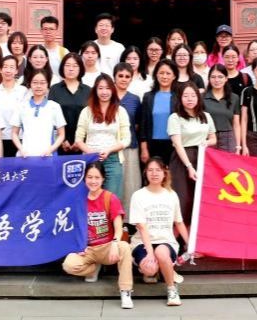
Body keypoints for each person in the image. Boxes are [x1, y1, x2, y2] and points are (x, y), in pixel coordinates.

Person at [61, 161, 136, 310]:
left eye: (97, 177)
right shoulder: (80, 199)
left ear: (103, 179)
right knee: (68, 265)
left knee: (125, 247)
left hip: (108, 247)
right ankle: (93, 268)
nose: (93, 181)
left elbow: (118, 227)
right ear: (85, 179)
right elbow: (75, 227)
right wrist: (79, 246)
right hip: (88, 249)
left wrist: (114, 243)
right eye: (90, 177)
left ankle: (125, 291)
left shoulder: (110, 198)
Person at [129, 157, 189, 306]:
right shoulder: (138, 195)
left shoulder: (171, 195)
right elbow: (142, 227)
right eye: (150, 170)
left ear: (164, 172)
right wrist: (150, 253)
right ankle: (159, 269)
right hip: (142, 242)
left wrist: (191, 244)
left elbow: (179, 222)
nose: (154, 173)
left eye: (158, 170)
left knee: (161, 253)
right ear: (145, 173)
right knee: (149, 269)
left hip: (166, 242)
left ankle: (172, 290)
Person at [167, 82, 216, 225]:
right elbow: (177, 144)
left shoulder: (206, 116)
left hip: (202, 157)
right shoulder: (175, 117)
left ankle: (195, 233)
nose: (190, 99)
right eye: (186, 96)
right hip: (182, 159)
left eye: (193, 95)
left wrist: (206, 142)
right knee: (182, 196)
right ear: (180, 98)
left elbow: (213, 138)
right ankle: (179, 233)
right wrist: (189, 166)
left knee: (199, 196)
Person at [75, 74, 131, 196]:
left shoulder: (120, 111)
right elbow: (78, 139)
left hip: (113, 159)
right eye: (100, 88)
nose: (104, 92)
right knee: (90, 197)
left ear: (113, 90)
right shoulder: (86, 111)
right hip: (90, 159)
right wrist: (91, 152)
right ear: (95, 90)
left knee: (111, 198)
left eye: (107, 88)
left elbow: (126, 139)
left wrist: (109, 150)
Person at [11, 67, 66, 157]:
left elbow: (61, 134)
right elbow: (14, 133)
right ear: (30, 84)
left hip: (47, 156)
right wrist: (21, 149)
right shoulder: (21, 106)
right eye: (35, 82)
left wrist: (51, 149)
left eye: (42, 83)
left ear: (48, 84)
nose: (38, 86)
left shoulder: (54, 106)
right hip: (25, 156)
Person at [113, 62, 144, 208]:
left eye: (127, 76)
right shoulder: (107, 95)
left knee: (131, 184)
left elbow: (137, 124)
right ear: (114, 77)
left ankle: (129, 218)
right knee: (113, 184)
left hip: (130, 147)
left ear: (131, 79)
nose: (123, 79)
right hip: (110, 147)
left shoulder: (135, 99)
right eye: (120, 76)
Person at [139, 59, 178, 166]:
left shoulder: (178, 97)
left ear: (174, 76)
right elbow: (143, 125)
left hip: (173, 145)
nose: (164, 76)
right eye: (161, 73)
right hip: (152, 145)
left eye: (168, 73)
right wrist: (144, 148)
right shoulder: (148, 97)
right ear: (156, 75)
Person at [50, 52, 91, 152]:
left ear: (80, 68)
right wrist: (62, 140)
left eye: (75, 66)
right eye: (67, 65)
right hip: (59, 143)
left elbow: (91, 118)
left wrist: (80, 142)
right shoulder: (55, 89)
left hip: (84, 144)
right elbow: (51, 117)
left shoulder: (88, 90)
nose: (71, 69)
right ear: (62, 68)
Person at [0, 55, 27, 157]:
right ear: (0, 70)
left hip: (19, 139)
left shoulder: (23, 91)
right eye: (5, 67)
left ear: (16, 71)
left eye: (11, 67)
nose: (8, 70)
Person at [203, 65, 241, 154]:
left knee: (229, 163)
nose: (217, 80)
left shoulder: (234, 98)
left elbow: (236, 124)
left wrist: (238, 146)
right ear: (209, 79)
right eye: (213, 77)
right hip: (208, 138)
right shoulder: (202, 97)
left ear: (226, 78)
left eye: (220, 77)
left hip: (228, 138)